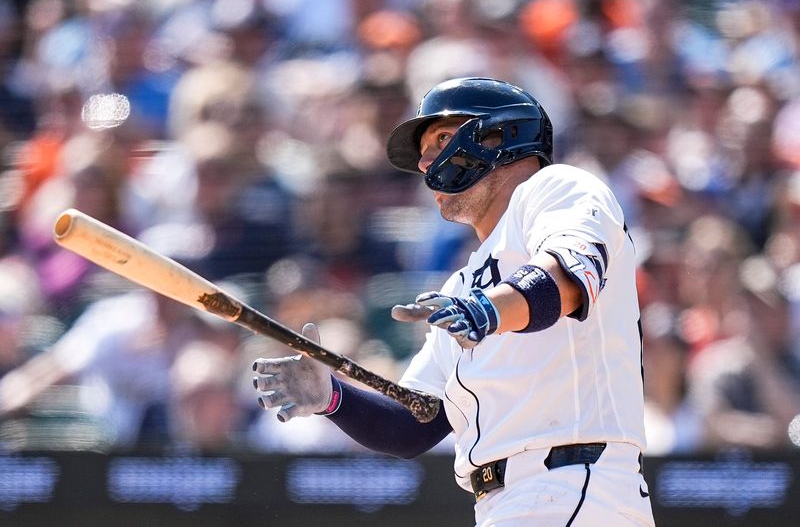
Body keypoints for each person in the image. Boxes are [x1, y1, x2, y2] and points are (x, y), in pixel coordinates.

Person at [252, 77, 655, 526]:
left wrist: (484, 311)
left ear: (500, 136)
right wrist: (332, 398)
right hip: (509, 500)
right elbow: (415, 425)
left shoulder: (556, 188)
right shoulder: (461, 287)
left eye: (441, 139)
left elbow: (567, 278)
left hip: (573, 483)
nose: (425, 162)